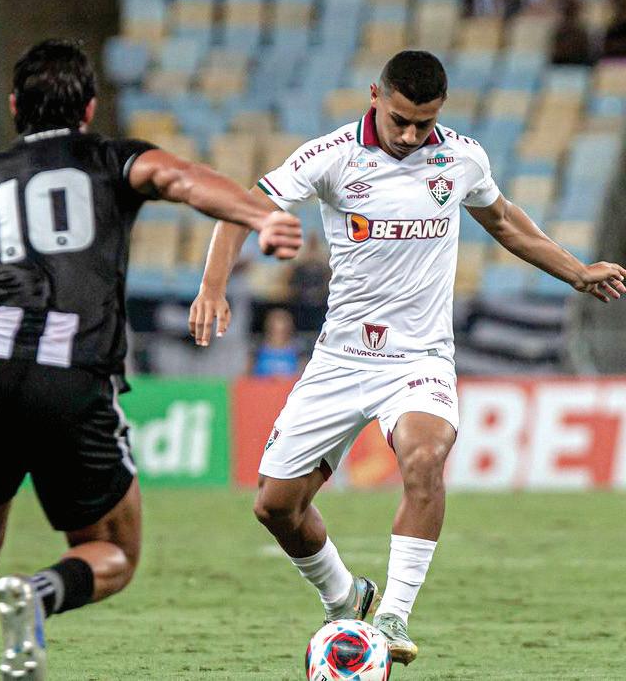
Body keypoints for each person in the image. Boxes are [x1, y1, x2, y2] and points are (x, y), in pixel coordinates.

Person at [188, 50, 626, 666]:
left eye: (425, 123)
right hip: (341, 359)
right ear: (376, 96)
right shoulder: (331, 156)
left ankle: (392, 618)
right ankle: (345, 597)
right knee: (275, 507)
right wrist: (212, 288)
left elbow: (504, 221)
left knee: (424, 459)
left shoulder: (463, 158)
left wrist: (576, 271)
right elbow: (244, 208)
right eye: (400, 120)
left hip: (419, 360)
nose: (412, 135)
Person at [0, 39, 302, 681]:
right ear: (90, 108)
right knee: (113, 551)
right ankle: (39, 595)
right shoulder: (109, 157)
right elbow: (180, 178)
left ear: (15, 106)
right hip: (70, 374)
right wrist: (260, 217)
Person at [252, 307, 302, 377]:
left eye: (282, 331)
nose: (278, 335)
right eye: (274, 330)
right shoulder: (256, 352)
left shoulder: (299, 354)